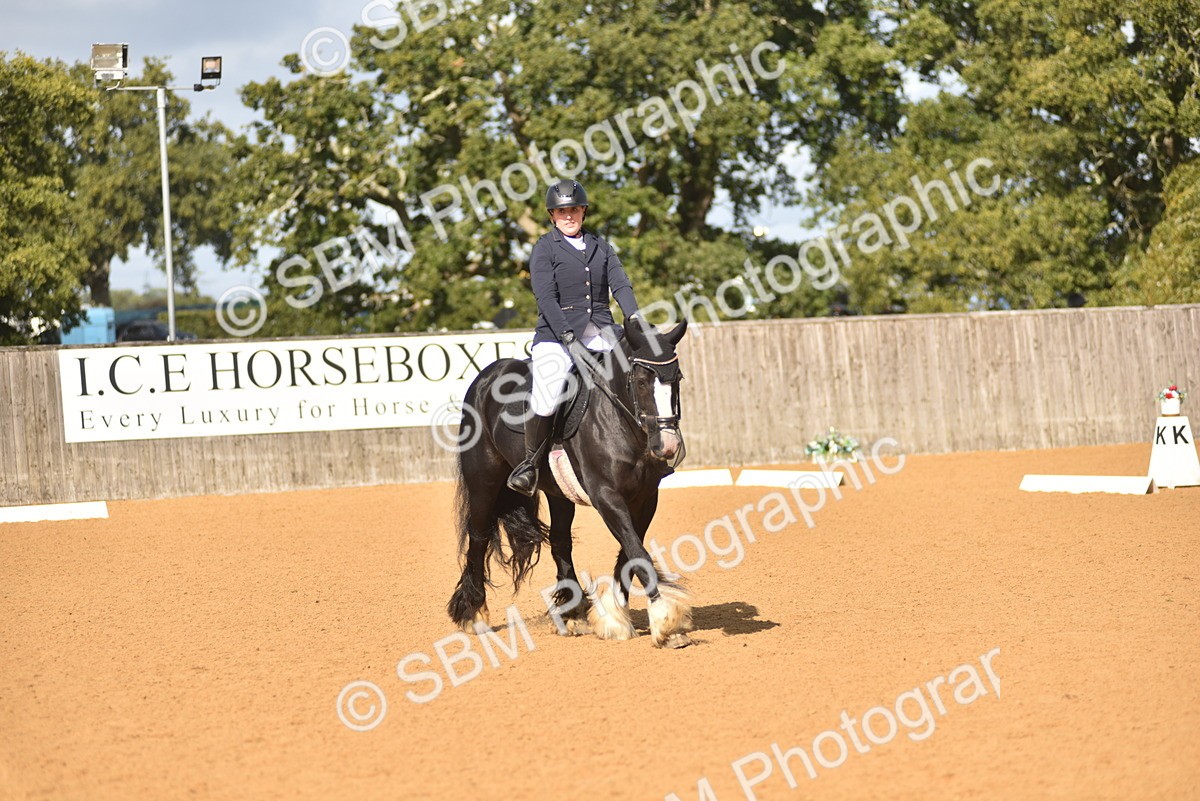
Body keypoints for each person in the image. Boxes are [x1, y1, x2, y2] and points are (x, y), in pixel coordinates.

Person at [506, 178, 642, 496]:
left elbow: (620, 284)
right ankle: (530, 464)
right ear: (553, 215)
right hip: (556, 336)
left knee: (638, 372)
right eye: (562, 211)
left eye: (575, 209)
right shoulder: (544, 248)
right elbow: (545, 297)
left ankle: (651, 448)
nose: (569, 215)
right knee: (548, 390)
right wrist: (567, 337)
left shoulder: (601, 247)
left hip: (603, 331)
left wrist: (634, 319)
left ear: (583, 212)